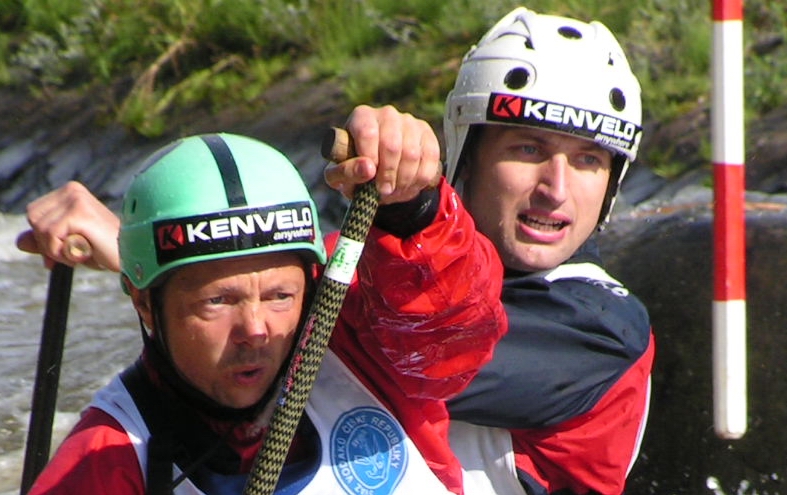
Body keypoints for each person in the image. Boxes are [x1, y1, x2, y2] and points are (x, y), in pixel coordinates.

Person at [17, 132, 506, 494]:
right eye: (218, 301)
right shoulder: (103, 461)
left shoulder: (359, 332)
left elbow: (452, 322)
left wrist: (413, 208)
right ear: (145, 303)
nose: (255, 330)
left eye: (279, 296)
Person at [334, 7, 655, 495]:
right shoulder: (374, 261)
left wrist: (413, 210)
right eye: (528, 149)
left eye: (588, 160)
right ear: (468, 154)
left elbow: (427, 352)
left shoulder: (604, 328)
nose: (556, 190)